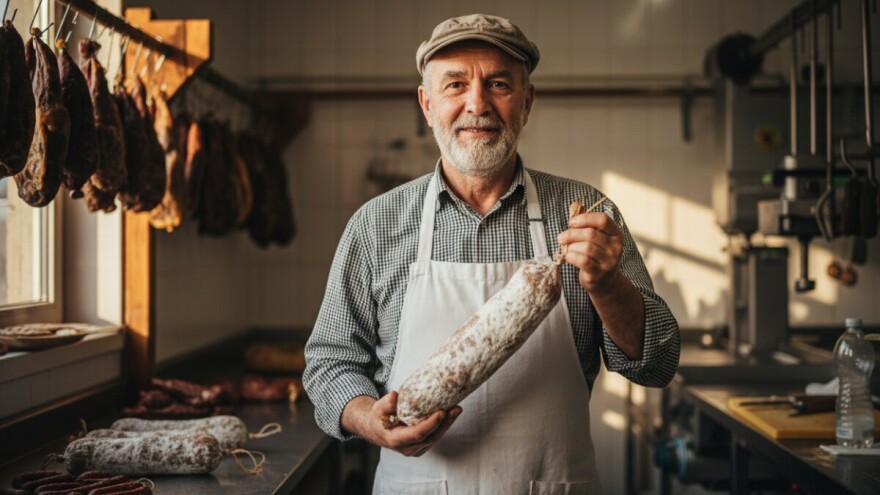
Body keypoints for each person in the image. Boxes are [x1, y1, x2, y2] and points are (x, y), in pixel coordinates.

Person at [304, 13, 680, 493]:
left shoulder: (583, 215)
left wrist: (608, 286)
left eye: (499, 84)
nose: (476, 104)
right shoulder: (376, 225)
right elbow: (329, 362)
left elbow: (657, 364)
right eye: (455, 85)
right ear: (426, 104)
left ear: (527, 102)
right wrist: (366, 420)